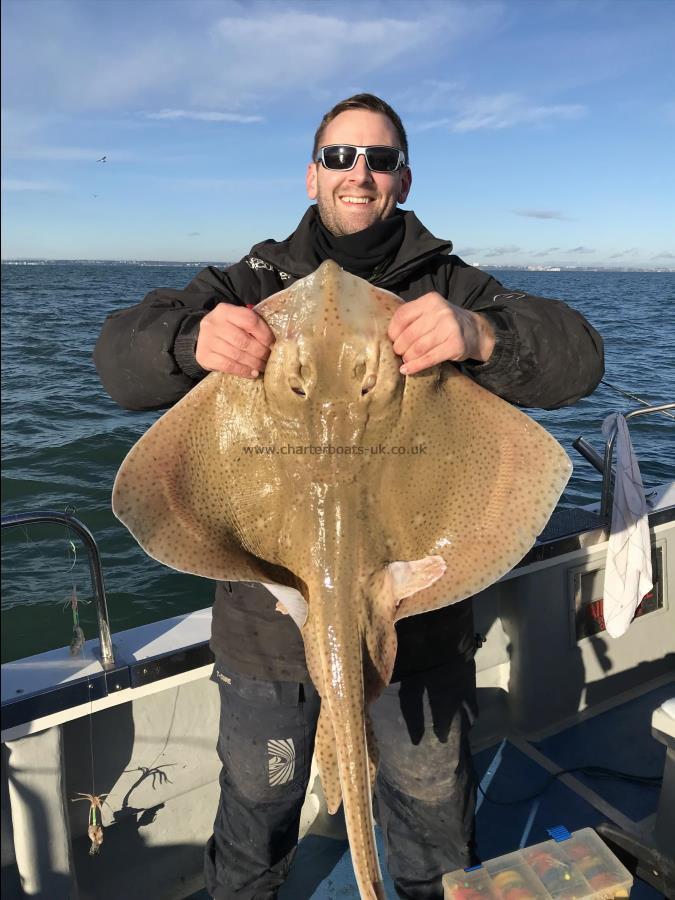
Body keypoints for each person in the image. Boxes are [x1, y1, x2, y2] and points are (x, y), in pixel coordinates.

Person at [94, 94, 604, 900]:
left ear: (402, 178)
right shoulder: (246, 280)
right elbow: (118, 363)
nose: (357, 173)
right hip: (266, 626)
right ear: (311, 174)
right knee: (258, 805)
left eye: (378, 158)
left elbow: (579, 358)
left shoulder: (451, 284)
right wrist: (188, 341)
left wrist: (483, 336)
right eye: (339, 156)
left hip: (423, 619)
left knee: (431, 804)